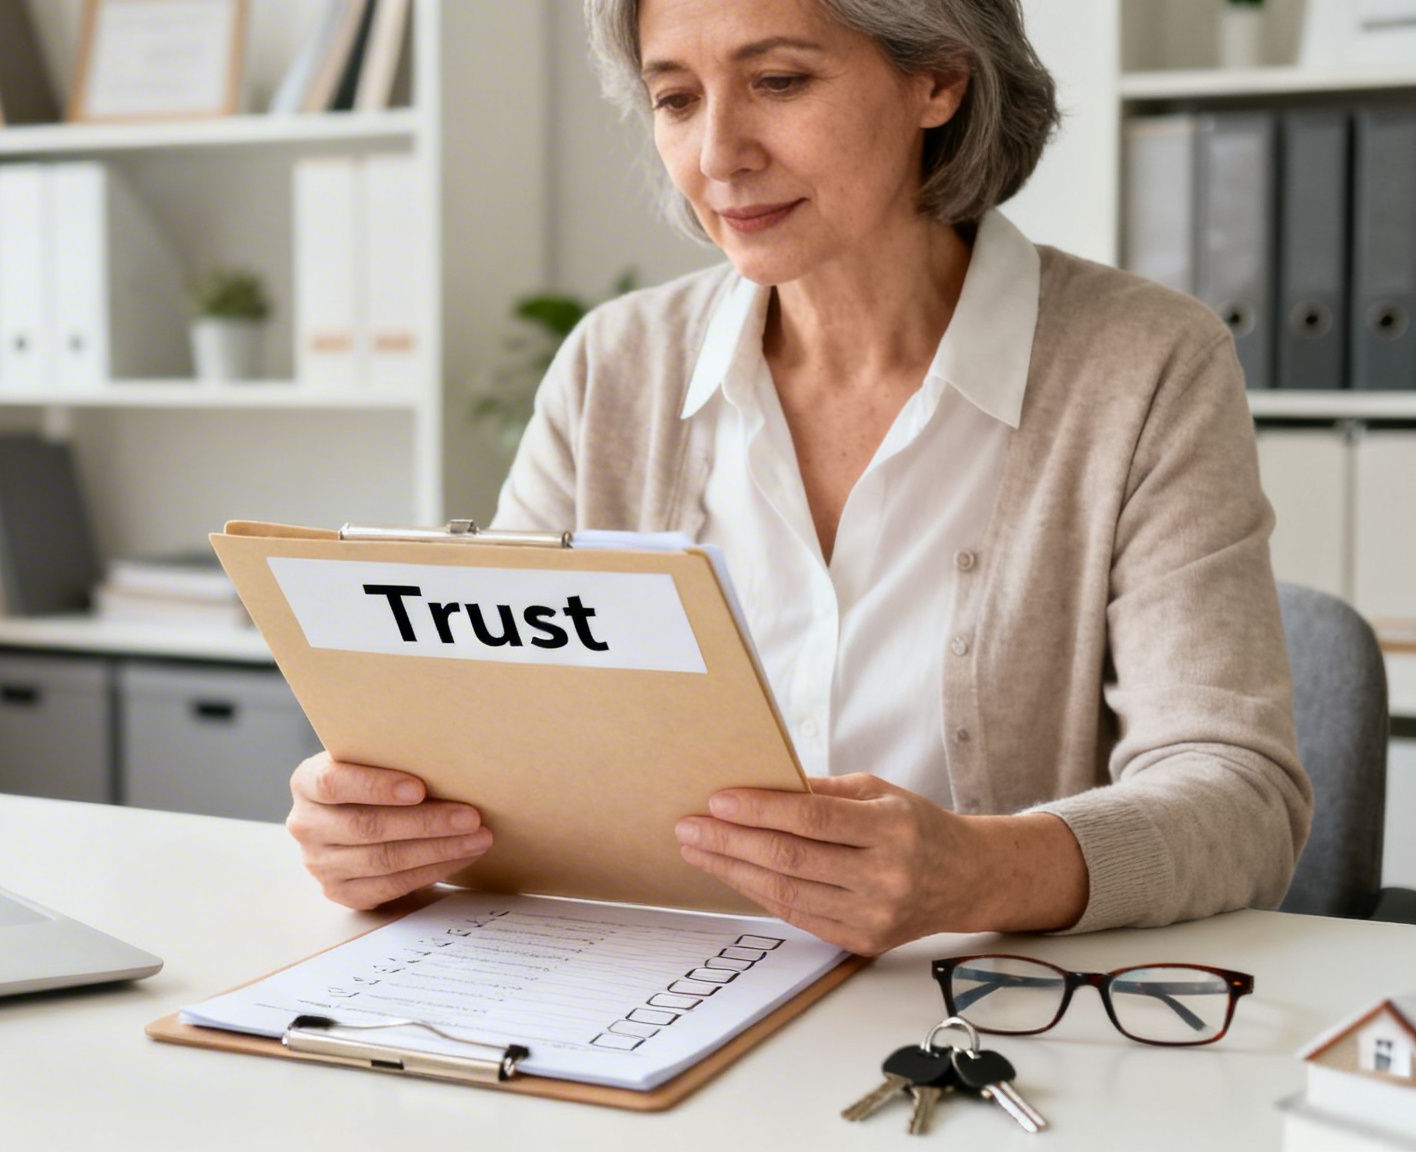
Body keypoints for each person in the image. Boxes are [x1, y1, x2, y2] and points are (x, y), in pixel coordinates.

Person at [284, 0, 1311, 955]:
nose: (717, 156)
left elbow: (1238, 797)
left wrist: (974, 872)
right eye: (675, 99)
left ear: (937, 80)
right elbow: (490, 728)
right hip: (648, 994)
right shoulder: (615, 366)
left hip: (973, 1027)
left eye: (776, 81)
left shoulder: (1140, 365)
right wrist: (379, 825)